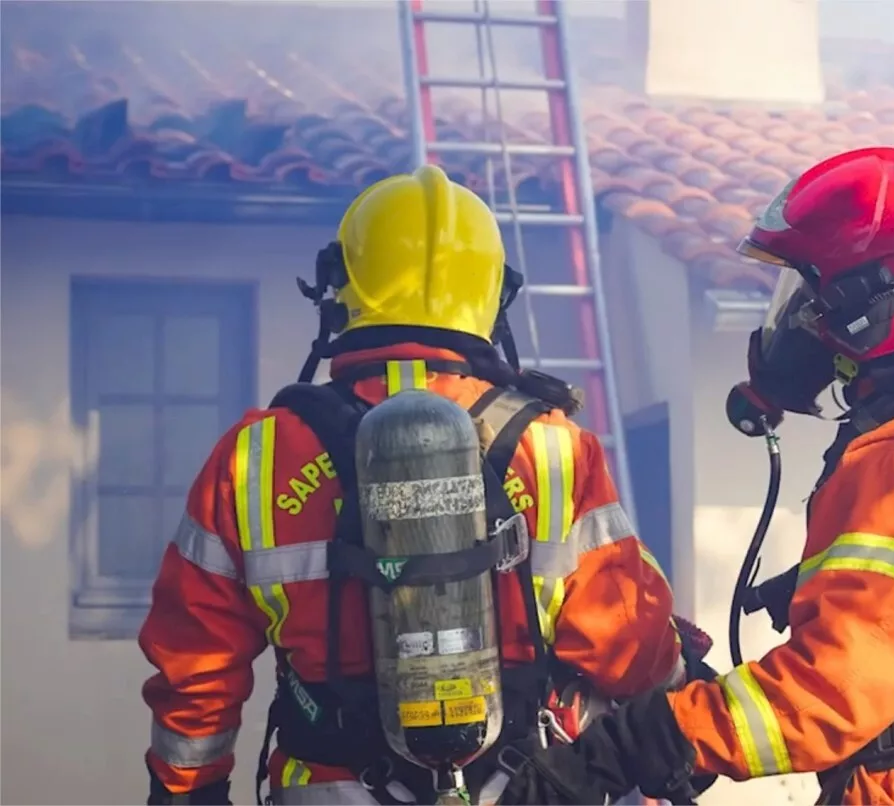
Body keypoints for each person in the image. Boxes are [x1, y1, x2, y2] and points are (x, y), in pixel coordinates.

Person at [494, 147, 894, 806]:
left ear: (870, 301)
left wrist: (645, 740)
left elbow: (833, 691)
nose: (798, 321)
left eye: (810, 296)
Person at [139, 165, 689, 806]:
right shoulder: (556, 448)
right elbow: (626, 639)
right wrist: (679, 687)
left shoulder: (253, 459)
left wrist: (185, 790)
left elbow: (196, 664)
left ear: (339, 290)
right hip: (522, 788)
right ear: (492, 296)